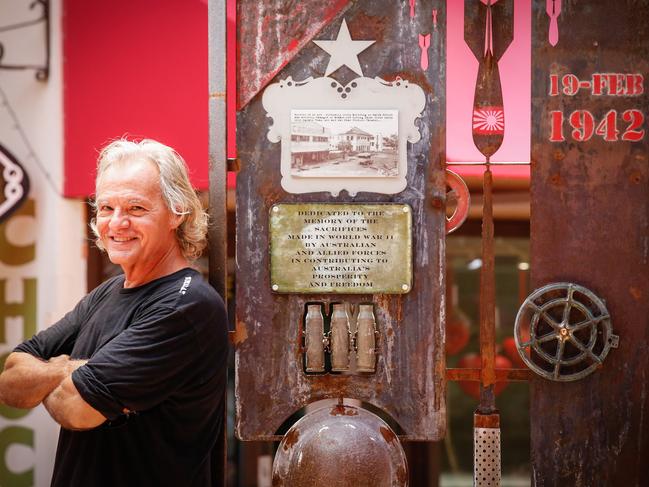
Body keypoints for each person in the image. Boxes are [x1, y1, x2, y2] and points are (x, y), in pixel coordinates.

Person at [0, 138, 228, 486]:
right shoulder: (107, 292)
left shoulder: (188, 305)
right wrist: (69, 370)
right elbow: (11, 381)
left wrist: (54, 375)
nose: (117, 223)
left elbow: (74, 408)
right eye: (106, 208)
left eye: (136, 209)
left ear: (176, 211)